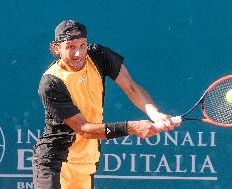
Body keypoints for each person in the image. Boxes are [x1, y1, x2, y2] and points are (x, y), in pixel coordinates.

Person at [33, 20, 180, 189]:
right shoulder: (51, 83)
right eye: (71, 47)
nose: (78, 53)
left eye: (82, 45)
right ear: (56, 48)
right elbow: (83, 128)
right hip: (54, 162)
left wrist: (155, 114)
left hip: (86, 162)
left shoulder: (98, 56)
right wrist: (132, 127)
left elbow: (132, 87)